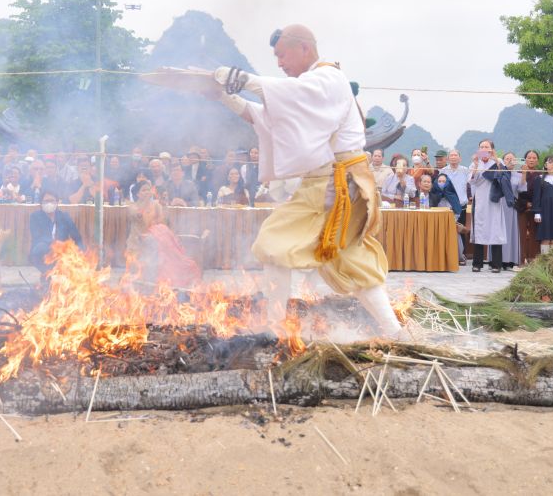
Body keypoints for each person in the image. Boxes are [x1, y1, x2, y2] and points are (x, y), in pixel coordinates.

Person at [209, 23, 400, 337]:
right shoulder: (310, 87)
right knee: (347, 257)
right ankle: (393, 331)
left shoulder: (328, 77)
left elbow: (289, 95)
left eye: (282, 55)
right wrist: (224, 96)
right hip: (331, 183)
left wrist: (243, 80)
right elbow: (266, 118)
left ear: (304, 49)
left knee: (275, 241)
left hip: (337, 183)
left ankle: (274, 328)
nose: (280, 63)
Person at [125, 180, 201, 289]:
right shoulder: (133, 207)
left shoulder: (156, 205)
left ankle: (164, 279)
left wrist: (155, 225)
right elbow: (142, 219)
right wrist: (146, 205)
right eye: (143, 190)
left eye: (148, 189)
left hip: (156, 237)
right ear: (137, 194)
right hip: (138, 240)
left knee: (163, 235)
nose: (147, 192)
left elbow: (161, 222)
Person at [468, 140, 507, 272]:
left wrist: (495, 158)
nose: (484, 149)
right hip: (480, 201)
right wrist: (476, 164)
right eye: (482, 147)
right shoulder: (475, 163)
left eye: (487, 147)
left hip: (494, 200)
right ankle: (477, 263)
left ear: (492, 149)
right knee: (479, 229)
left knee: (495, 230)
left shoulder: (498, 162)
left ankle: (496, 264)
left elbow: (504, 176)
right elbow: (472, 181)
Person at [28, 189, 83, 282]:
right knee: (41, 247)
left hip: (63, 251)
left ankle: (63, 277)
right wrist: (56, 246)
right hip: (44, 251)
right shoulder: (35, 217)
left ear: (57, 202)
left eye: (52, 201)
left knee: (76, 252)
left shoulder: (64, 216)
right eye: (46, 201)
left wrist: (81, 251)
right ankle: (48, 274)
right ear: (41, 203)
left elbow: (76, 236)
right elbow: (37, 236)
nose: (49, 203)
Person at [516, 150, 541, 263]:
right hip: (522, 207)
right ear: (524, 159)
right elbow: (516, 192)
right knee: (520, 233)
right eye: (529, 157)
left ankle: (533, 258)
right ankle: (520, 259)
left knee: (534, 233)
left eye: (534, 158)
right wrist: (525, 203)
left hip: (536, 208)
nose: (531, 160)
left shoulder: (541, 174)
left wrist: (534, 204)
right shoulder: (518, 172)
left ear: (537, 161)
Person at [500, 152, 522, 269]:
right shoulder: (499, 173)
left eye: (512, 159)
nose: (509, 160)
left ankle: (511, 259)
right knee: (500, 231)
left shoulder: (518, 175)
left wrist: (523, 174)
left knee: (511, 232)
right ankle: (497, 259)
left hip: (511, 205)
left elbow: (522, 189)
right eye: (507, 158)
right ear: (503, 161)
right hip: (500, 205)